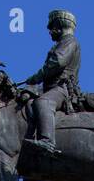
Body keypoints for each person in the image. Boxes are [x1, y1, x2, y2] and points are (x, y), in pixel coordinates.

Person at [19, 9, 82, 154]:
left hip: (62, 89)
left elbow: (57, 62)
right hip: (51, 87)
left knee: (44, 102)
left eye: (52, 26)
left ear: (60, 26)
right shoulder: (63, 43)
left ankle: (47, 141)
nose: (49, 30)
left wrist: (37, 77)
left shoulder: (69, 42)